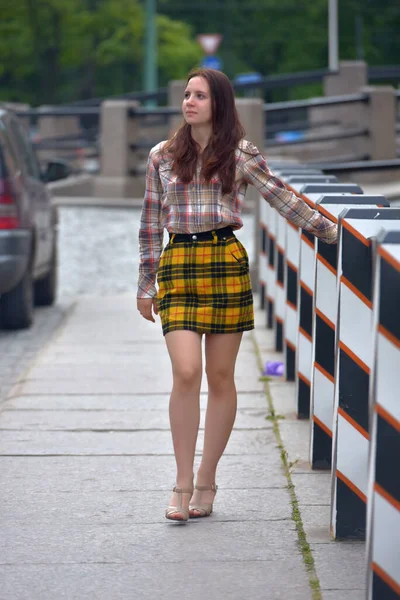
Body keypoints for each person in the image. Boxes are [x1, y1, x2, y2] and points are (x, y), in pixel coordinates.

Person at [137, 67, 337, 522]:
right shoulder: (162, 156)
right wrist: (146, 285)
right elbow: (150, 222)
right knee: (186, 372)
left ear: (219, 104)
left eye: (199, 96)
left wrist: (330, 230)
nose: (189, 102)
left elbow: (280, 196)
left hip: (224, 262)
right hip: (179, 265)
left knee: (221, 377)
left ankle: (207, 481)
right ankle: (181, 484)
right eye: (186, 94)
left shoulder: (240, 154)